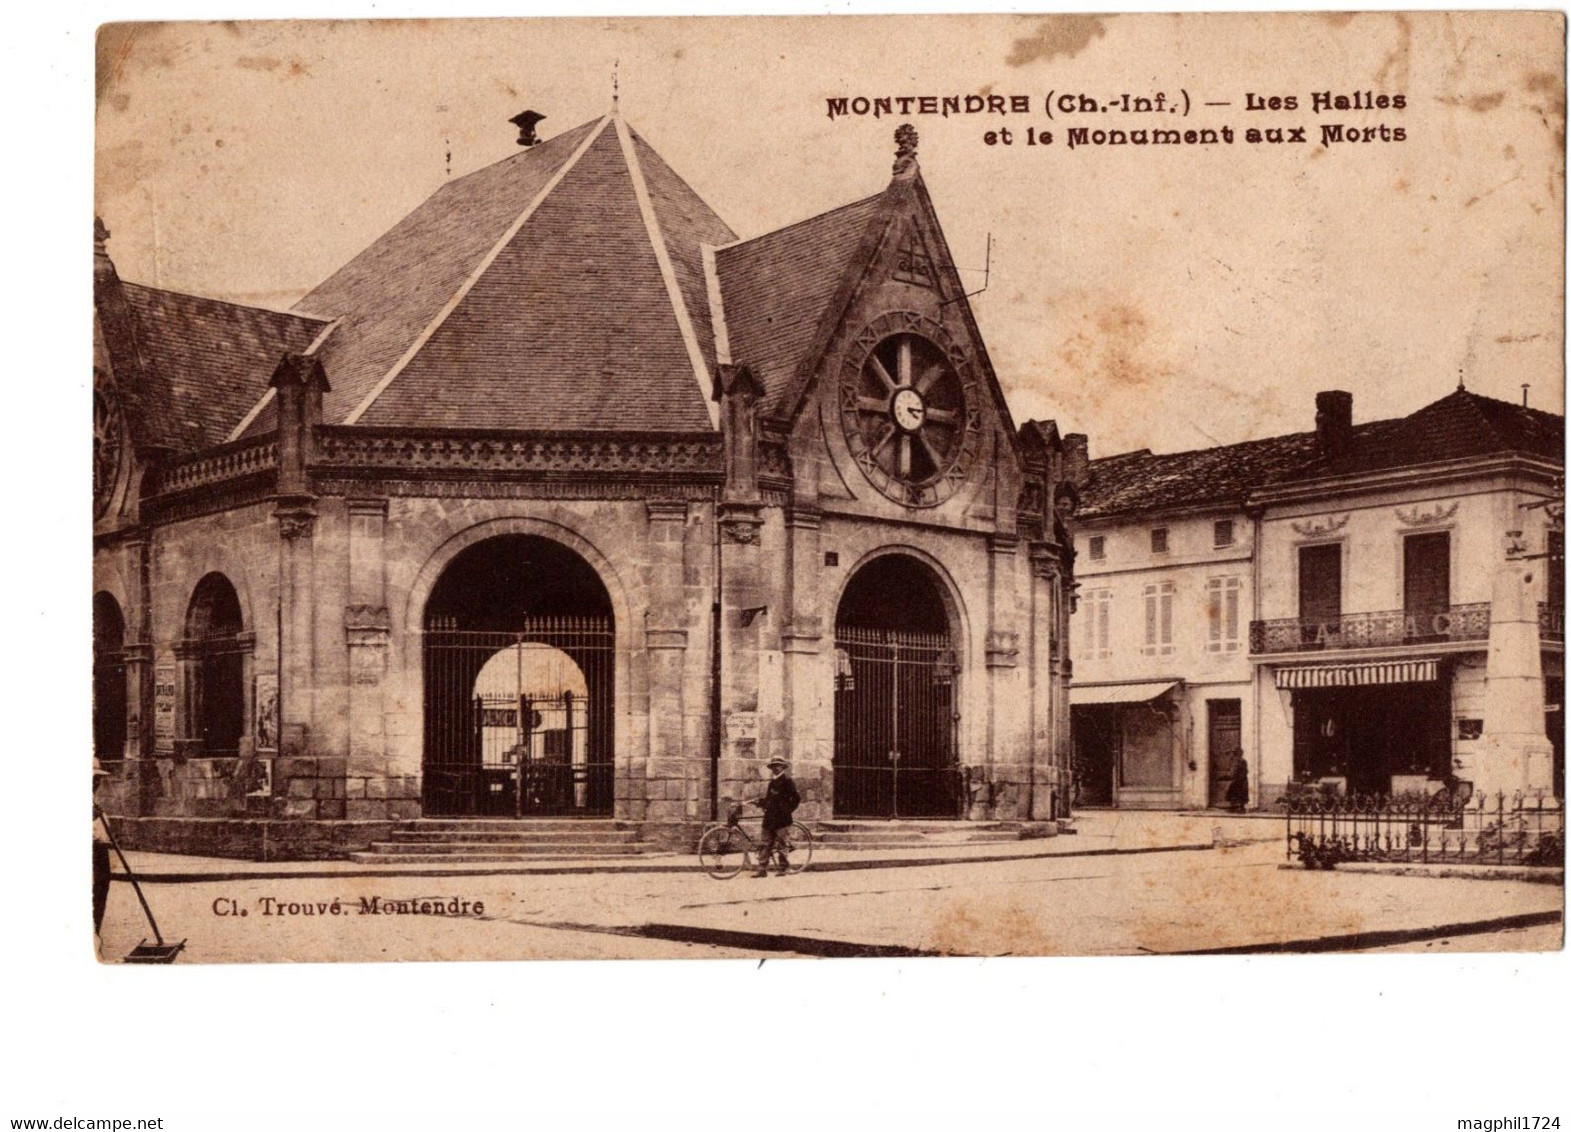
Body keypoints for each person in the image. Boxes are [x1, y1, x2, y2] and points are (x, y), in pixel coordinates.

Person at [751, 756, 800, 878]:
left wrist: (787, 811)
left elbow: (796, 799)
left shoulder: (788, 781)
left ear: (783, 767)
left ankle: (783, 868)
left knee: (781, 844)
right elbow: (769, 800)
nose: (775, 768)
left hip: (782, 819)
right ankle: (762, 869)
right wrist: (759, 802)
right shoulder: (772, 783)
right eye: (773, 766)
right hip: (769, 818)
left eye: (778, 765)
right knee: (765, 843)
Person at [93, 759, 112, 937]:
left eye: (98, 779)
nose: (97, 783)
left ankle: (95, 931)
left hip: (100, 851)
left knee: (100, 891)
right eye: (93, 779)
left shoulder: (93, 799)